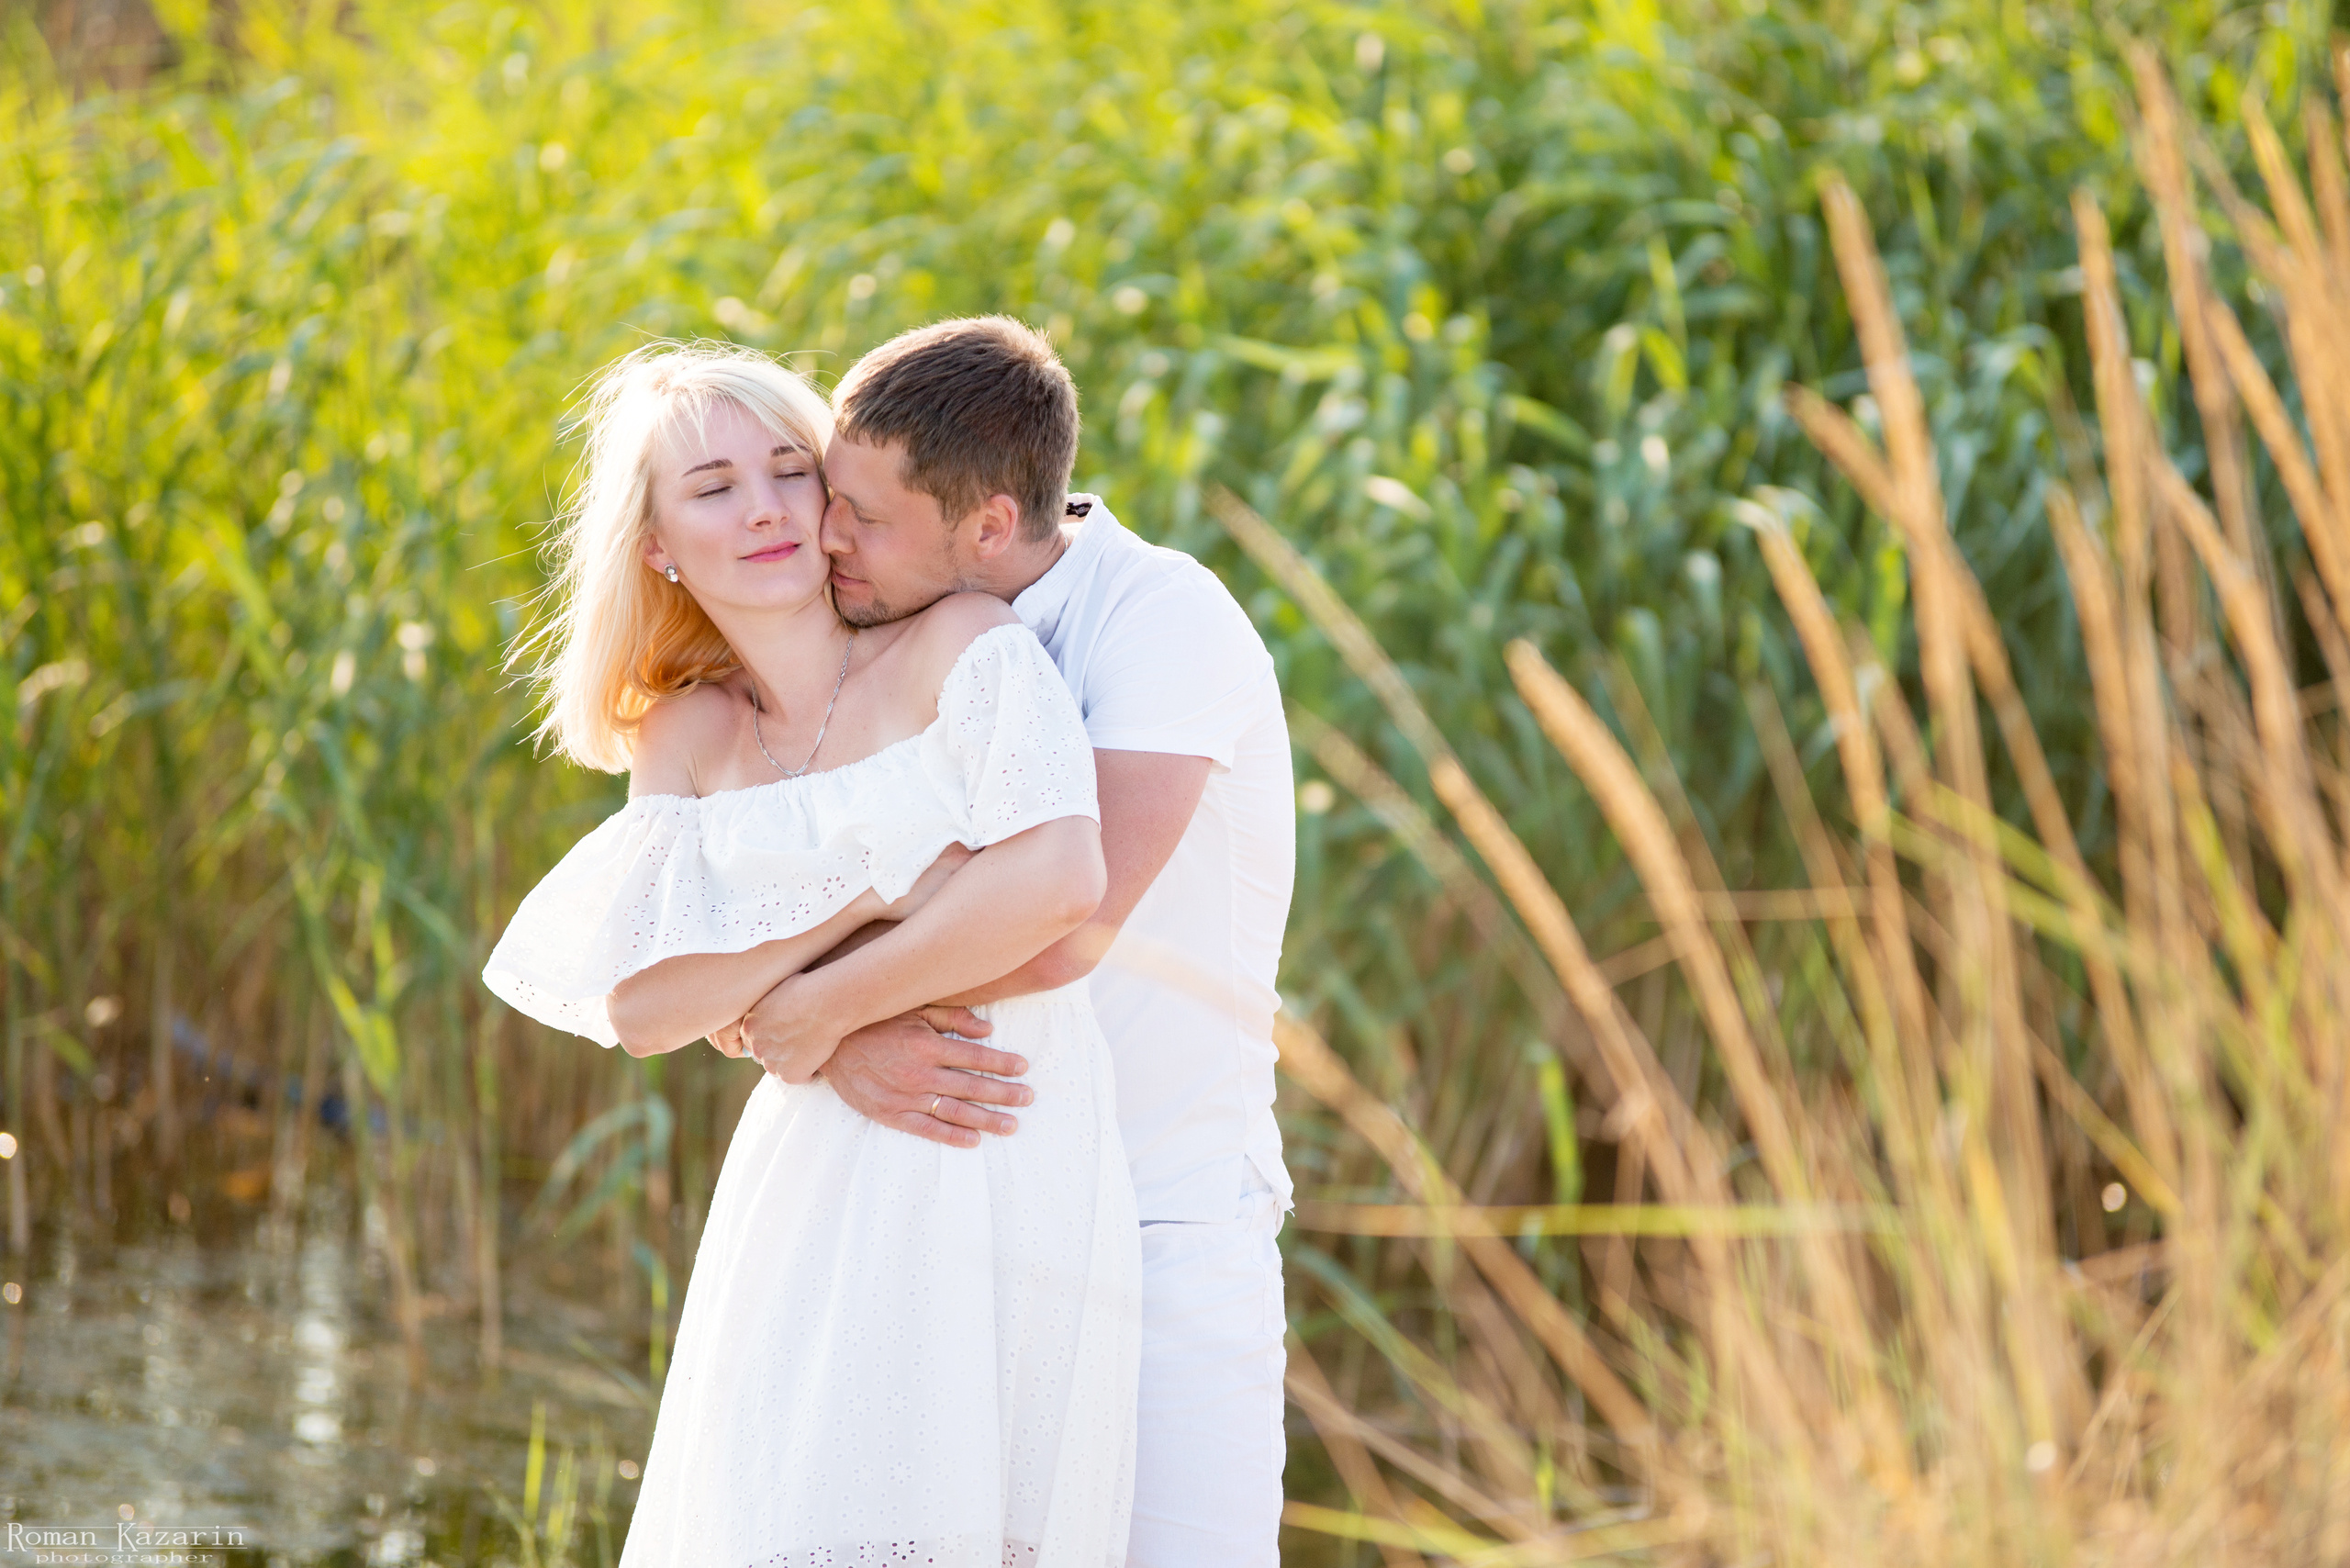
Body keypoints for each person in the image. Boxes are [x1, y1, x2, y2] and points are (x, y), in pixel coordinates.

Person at [482, 342, 1141, 1566]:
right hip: (818, 1162)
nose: (768, 509)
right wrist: (867, 894)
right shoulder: (689, 734)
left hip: (994, 1128)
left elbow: (1058, 876)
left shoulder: (958, 640)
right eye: (714, 489)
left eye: (790, 470)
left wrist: (798, 1000)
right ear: (657, 546)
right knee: (792, 1506)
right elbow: (647, 1008)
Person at [735, 316, 1295, 1567]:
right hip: (954, 1219)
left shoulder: (1164, 622)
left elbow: (1063, 922)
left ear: (990, 524)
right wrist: (809, 1033)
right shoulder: (884, 624)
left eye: (863, 517)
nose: (827, 539)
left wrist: (825, 1015)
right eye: (830, 500)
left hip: (1159, 1229)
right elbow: (757, 906)